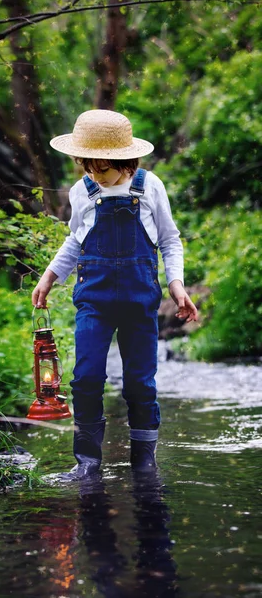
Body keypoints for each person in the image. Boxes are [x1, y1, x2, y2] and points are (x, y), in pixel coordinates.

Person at [32, 109, 198, 477]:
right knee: (86, 377)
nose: (96, 176)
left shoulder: (150, 186)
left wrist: (176, 285)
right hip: (94, 299)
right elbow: (75, 241)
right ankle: (88, 463)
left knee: (140, 383)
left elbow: (170, 240)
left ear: (125, 161)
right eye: (88, 168)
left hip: (141, 301)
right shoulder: (82, 191)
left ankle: (144, 463)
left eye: (103, 169)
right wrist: (49, 276)